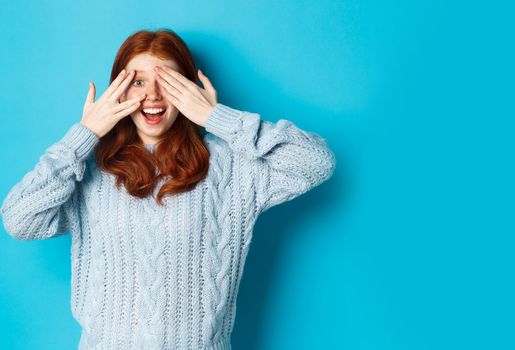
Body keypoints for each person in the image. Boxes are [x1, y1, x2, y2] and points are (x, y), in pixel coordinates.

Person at [0, 28, 336, 350]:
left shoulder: (231, 168)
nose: (153, 95)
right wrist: (84, 134)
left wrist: (216, 116)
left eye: (167, 81)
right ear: (115, 90)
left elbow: (317, 162)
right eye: (138, 82)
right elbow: (19, 220)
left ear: (189, 88)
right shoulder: (89, 170)